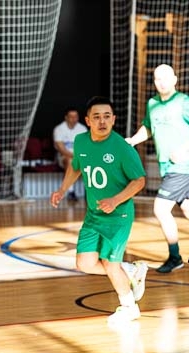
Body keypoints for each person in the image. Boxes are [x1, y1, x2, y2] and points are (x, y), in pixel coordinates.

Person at [50, 96, 149, 326]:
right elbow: (76, 166)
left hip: (118, 216)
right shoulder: (81, 141)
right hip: (94, 215)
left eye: (107, 116)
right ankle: (130, 270)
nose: (102, 121)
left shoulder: (122, 148)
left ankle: (129, 307)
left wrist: (115, 200)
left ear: (113, 119)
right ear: (88, 121)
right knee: (84, 263)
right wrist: (62, 189)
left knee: (110, 264)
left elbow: (139, 181)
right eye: (96, 117)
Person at [126, 64, 189, 274]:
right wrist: (133, 140)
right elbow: (148, 127)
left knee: (161, 208)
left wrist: (183, 149)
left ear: (174, 79)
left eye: (165, 78)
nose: (161, 82)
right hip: (167, 167)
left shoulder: (185, 102)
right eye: (157, 79)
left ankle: (175, 257)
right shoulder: (152, 104)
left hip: (183, 166)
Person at [52, 107, 88, 201]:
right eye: (71, 117)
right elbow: (61, 149)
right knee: (70, 161)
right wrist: (76, 157)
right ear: (66, 117)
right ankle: (71, 192)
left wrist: (80, 157)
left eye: (75, 116)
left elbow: (86, 147)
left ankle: (90, 191)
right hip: (63, 156)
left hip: (80, 156)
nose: (74, 119)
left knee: (91, 162)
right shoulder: (59, 129)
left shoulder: (82, 129)